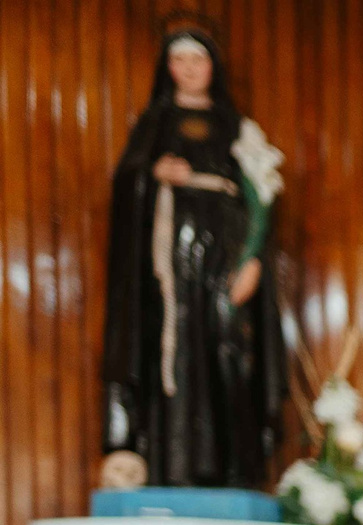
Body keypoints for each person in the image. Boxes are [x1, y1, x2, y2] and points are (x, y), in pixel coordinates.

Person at [101, 27, 285, 490]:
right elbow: (126, 183)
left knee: (230, 351)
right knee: (175, 356)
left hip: (225, 259)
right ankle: (171, 470)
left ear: (212, 68)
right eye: (179, 60)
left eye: (197, 60)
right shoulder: (155, 123)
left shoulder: (235, 126)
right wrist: (152, 172)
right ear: (168, 68)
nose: (188, 69)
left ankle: (236, 472)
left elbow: (259, 197)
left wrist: (253, 260)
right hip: (167, 272)